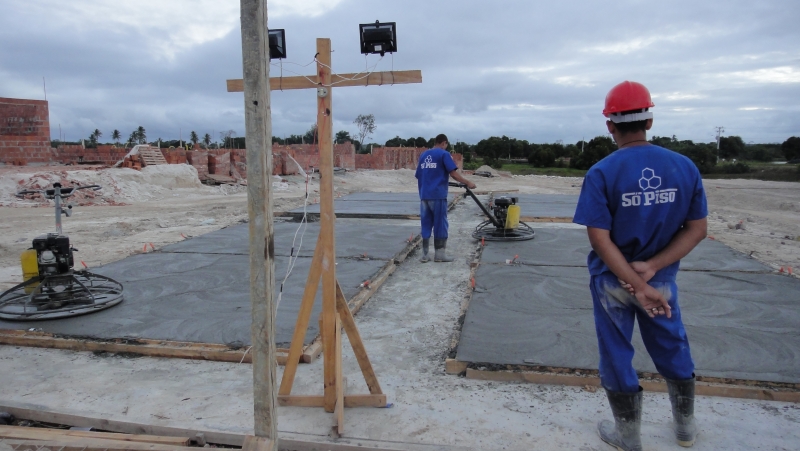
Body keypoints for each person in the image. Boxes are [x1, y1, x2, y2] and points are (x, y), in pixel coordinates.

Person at [573, 81, 708, 450]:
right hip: (658, 281)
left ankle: (627, 436)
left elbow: (600, 239)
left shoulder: (602, 172)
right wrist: (651, 269)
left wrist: (633, 278)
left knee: (616, 351)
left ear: (609, 125)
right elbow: (697, 229)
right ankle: (685, 429)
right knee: (672, 344)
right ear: (649, 119)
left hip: (613, 281)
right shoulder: (684, 167)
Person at [415, 134, 476, 262]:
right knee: (440, 223)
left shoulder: (424, 155)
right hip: (438, 195)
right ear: (444, 143)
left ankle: (425, 255)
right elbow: (453, 173)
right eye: (446, 145)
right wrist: (467, 182)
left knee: (425, 224)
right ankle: (440, 255)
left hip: (424, 195)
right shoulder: (444, 154)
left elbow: (419, 175)